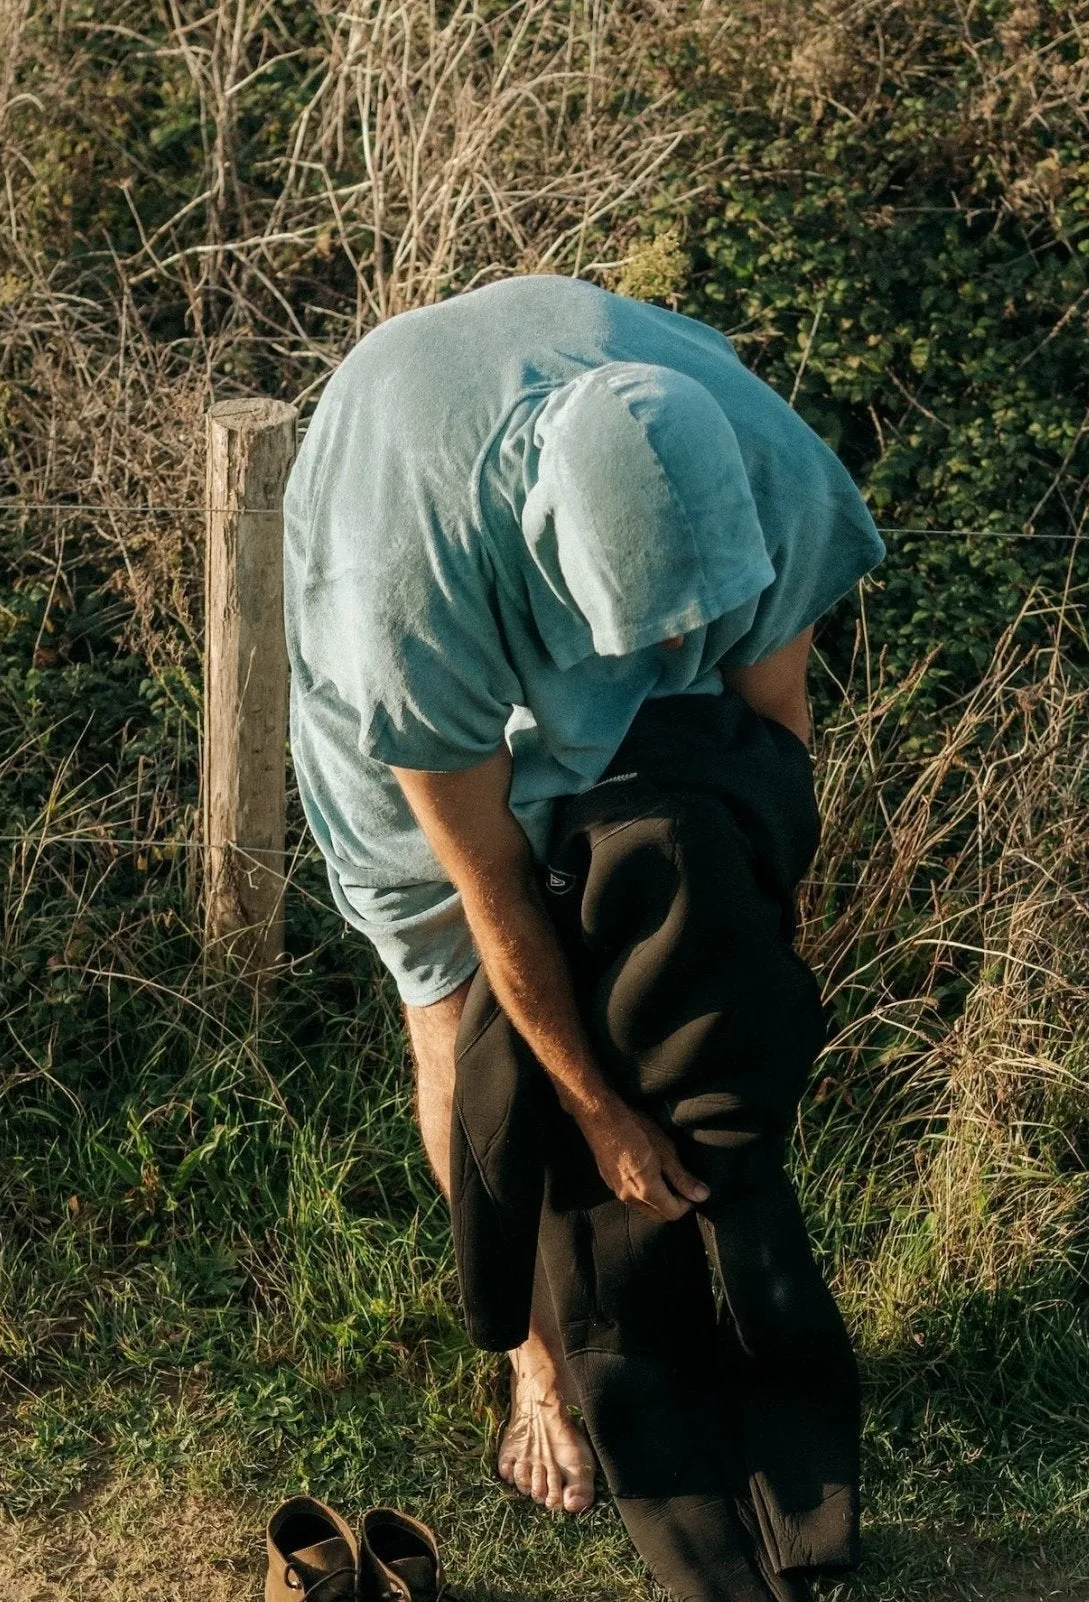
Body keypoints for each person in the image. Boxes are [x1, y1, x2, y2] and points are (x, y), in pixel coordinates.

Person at [284, 273, 884, 1516]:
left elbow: (764, 759)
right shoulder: (407, 603)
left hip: (607, 551)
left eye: (688, 631)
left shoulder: (778, 484)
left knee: (674, 902)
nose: (668, 661)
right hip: (397, 563)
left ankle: (674, 1299)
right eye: (635, 638)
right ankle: (540, 1369)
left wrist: (739, 992)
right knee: (455, 1007)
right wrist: (598, 1112)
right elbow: (488, 887)